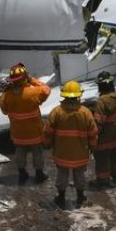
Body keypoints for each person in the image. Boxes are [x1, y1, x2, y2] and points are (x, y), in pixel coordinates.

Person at [43, 80, 98, 209]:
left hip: (62, 153)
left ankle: (61, 197)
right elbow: (93, 133)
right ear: (79, 96)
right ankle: (80, 197)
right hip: (80, 154)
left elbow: (48, 132)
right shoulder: (86, 113)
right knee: (79, 175)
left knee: (62, 175)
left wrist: (47, 144)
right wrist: (93, 147)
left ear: (64, 96)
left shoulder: (56, 112)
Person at [0, 63, 51, 184]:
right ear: (24, 77)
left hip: (18, 132)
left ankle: (22, 173)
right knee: (37, 152)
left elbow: (4, 110)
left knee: (20, 152)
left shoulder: (7, 94)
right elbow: (47, 90)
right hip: (34, 132)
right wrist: (32, 80)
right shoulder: (33, 92)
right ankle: (39, 174)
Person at [90, 71, 116, 188]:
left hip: (105, 137)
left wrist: (93, 137)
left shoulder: (102, 101)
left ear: (100, 85)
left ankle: (103, 180)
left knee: (102, 157)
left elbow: (98, 121)